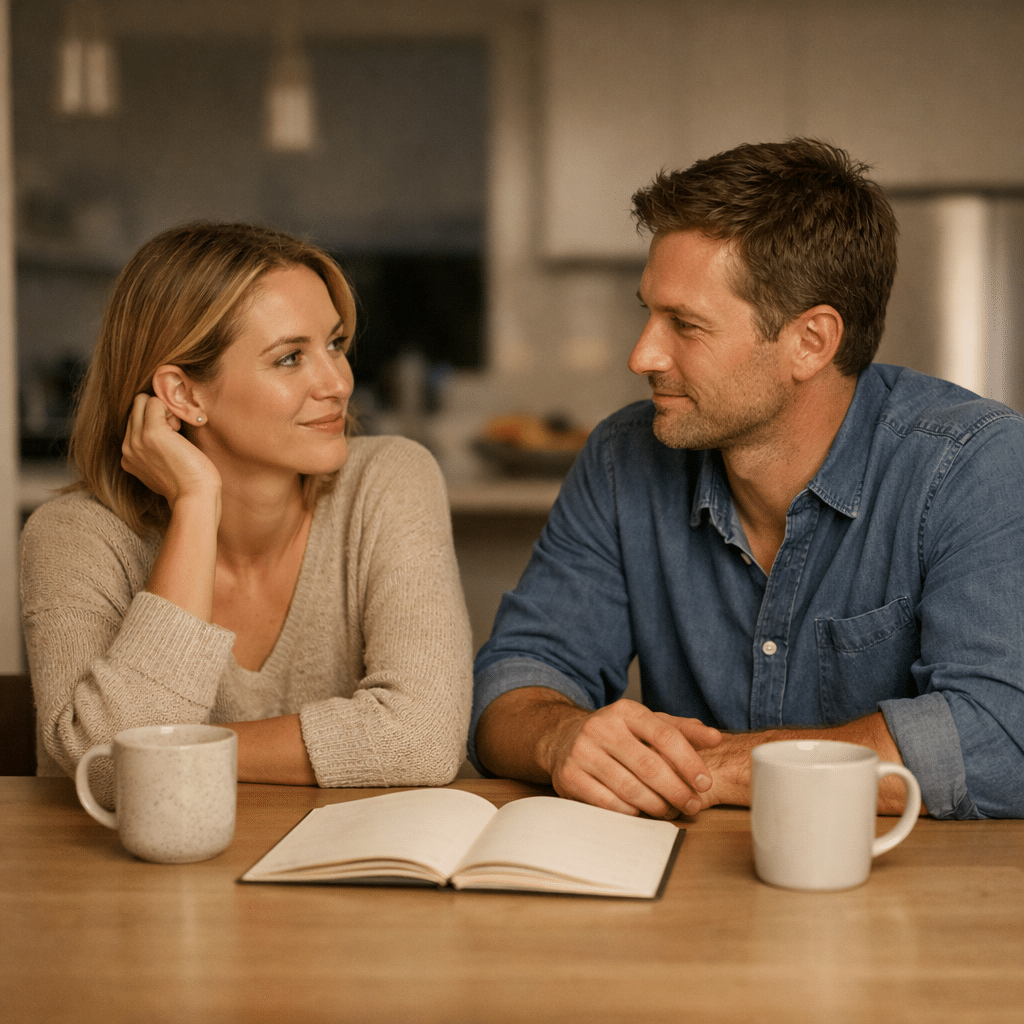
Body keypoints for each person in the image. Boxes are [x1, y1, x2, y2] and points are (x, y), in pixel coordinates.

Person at [470, 138, 1024, 821]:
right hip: (685, 894)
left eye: (685, 325)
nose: (642, 353)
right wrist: (561, 737)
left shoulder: (973, 464)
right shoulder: (622, 456)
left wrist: (709, 769)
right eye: (647, 312)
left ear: (810, 342)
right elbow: (513, 681)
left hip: (906, 902)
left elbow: (999, 738)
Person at [21, 222, 473, 804]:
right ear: (183, 395)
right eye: (290, 358)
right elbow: (113, 773)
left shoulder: (388, 480)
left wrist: (175, 750)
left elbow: (424, 740)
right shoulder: (73, 538)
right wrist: (194, 505)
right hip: (134, 885)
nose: (338, 382)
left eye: (334, 344)